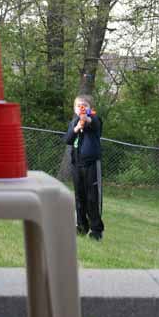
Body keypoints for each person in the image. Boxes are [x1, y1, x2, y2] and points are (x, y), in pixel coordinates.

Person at [63, 94, 104, 241]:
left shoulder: (95, 119)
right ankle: (81, 226)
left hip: (91, 164)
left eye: (84, 106)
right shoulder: (74, 121)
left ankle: (96, 230)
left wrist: (85, 119)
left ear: (90, 108)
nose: (81, 108)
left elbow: (92, 122)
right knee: (79, 197)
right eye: (78, 105)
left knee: (92, 198)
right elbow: (67, 139)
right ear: (74, 108)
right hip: (77, 164)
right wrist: (77, 127)